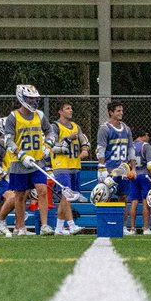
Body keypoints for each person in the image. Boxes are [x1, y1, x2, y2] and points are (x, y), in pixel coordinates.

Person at [0, 85, 49, 236]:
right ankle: (20, 227)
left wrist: (48, 145)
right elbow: (9, 141)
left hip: (37, 161)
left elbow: (49, 131)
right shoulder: (13, 117)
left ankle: (44, 226)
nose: (33, 101)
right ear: (22, 98)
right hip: (19, 163)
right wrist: (21, 154)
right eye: (30, 98)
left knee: (42, 191)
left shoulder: (40, 115)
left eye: (34, 99)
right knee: (20, 195)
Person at [48, 101, 87, 236]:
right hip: (61, 165)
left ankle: (58, 229)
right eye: (67, 108)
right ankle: (71, 225)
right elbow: (52, 146)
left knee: (66, 198)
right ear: (60, 111)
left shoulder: (76, 127)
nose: (71, 111)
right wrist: (68, 139)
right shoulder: (55, 127)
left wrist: (84, 149)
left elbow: (84, 141)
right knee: (66, 195)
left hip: (74, 165)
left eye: (71, 108)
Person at [93, 100, 133, 219]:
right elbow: (101, 148)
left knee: (124, 198)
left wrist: (133, 167)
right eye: (118, 111)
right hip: (109, 169)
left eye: (122, 110)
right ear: (111, 112)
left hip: (123, 169)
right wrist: (101, 168)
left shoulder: (126, 129)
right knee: (106, 196)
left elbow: (130, 148)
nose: (121, 113)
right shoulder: (105, 129)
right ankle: (104, 225)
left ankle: (123, 227)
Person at [125, 129, 151, 235]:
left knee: (134, 201)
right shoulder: (146, 146)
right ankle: (146, 228)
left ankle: (132, 228)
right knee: (145, 201)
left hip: (133, 175)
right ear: (143, 135)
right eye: (147, 135)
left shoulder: (130, 146)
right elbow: (150, 164)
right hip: (144, 174)